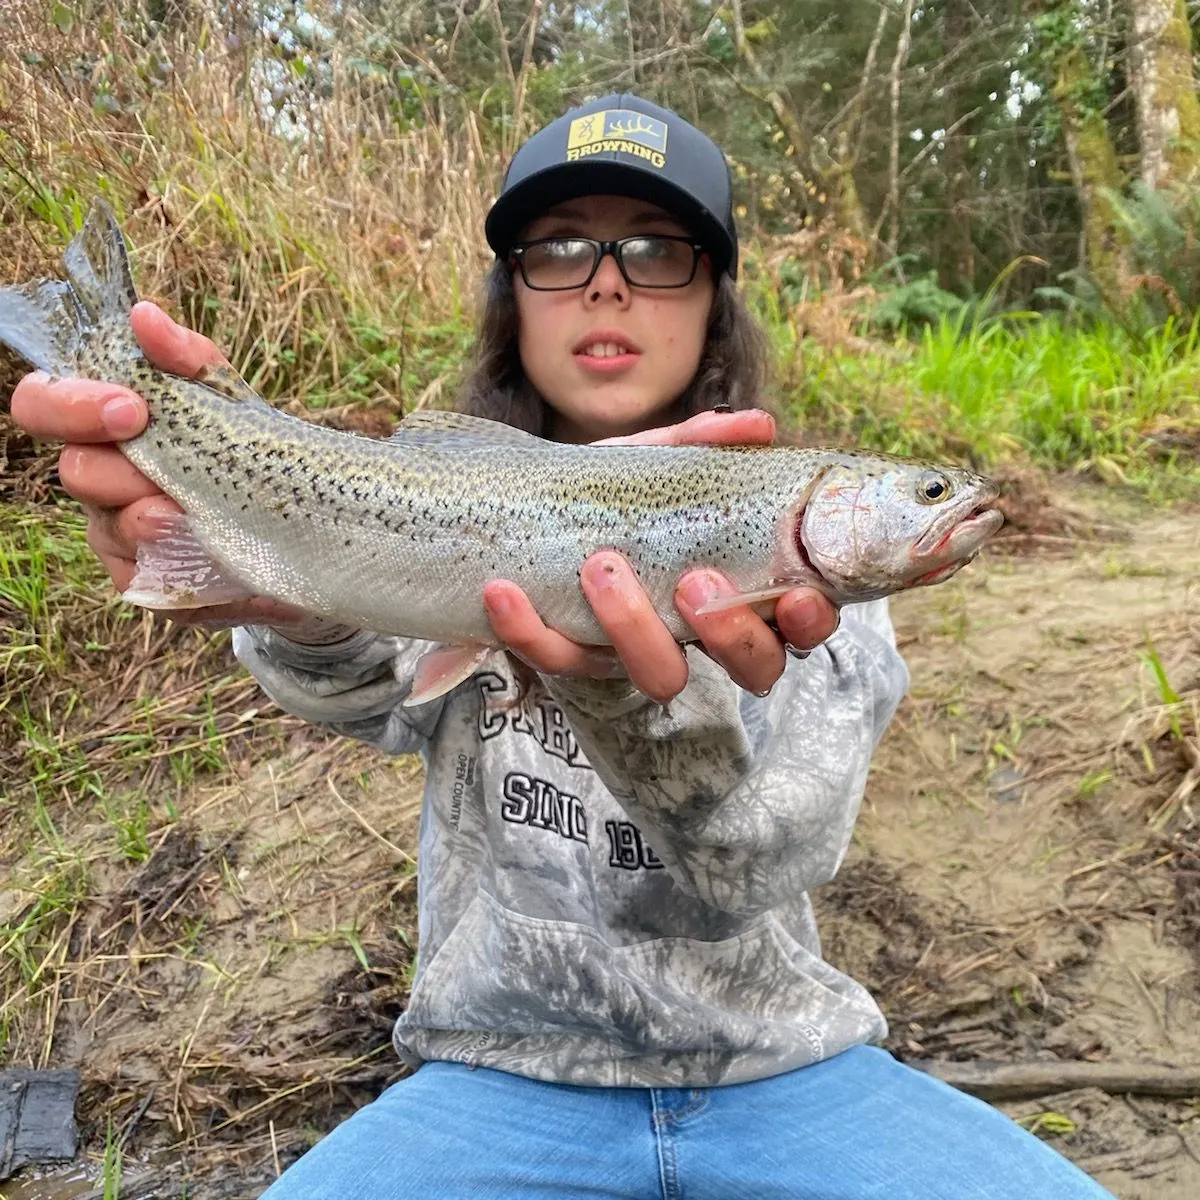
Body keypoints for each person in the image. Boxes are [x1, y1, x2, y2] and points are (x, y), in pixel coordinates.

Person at [11, 94, 1112, 1199]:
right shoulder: (426, 489)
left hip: (781, 1063)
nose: (607, 278)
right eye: (560, 248)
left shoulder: (834, 605)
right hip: (493, 1073)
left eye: (654, 248)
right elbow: (363, 677)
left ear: (716, 300)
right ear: (512, 299)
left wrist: (629, 704)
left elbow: (760, 864)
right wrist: (264, 580)